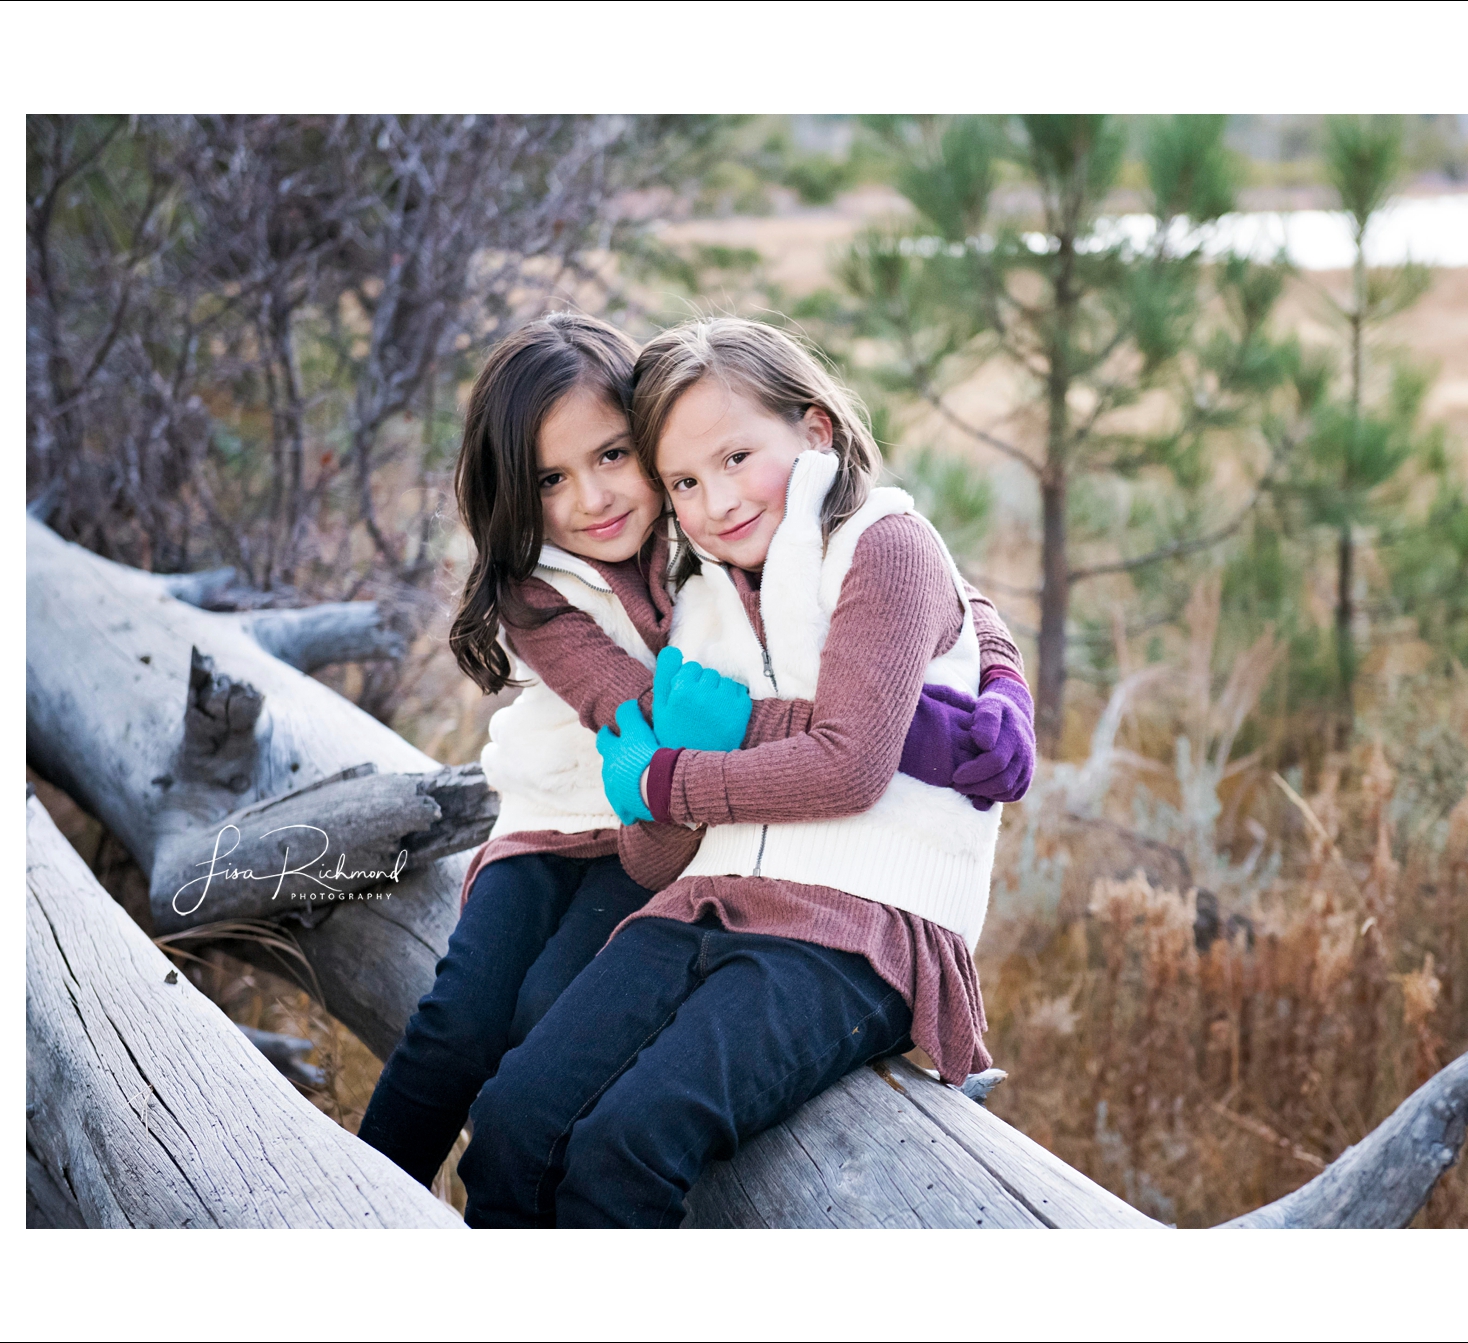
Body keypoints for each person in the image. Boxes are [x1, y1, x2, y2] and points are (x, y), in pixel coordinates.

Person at [358, 313, 1030, 1191]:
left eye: (612, 458)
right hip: (574, 824)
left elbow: (933, 587)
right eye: (552, 479)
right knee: (472, 1033)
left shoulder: (714, 544)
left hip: (716, 852)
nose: (594, 499)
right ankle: (360, 1215)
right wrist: (915, 734)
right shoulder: (597, 587)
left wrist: (1002, 675)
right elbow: (666, 725)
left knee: (564, 1053)